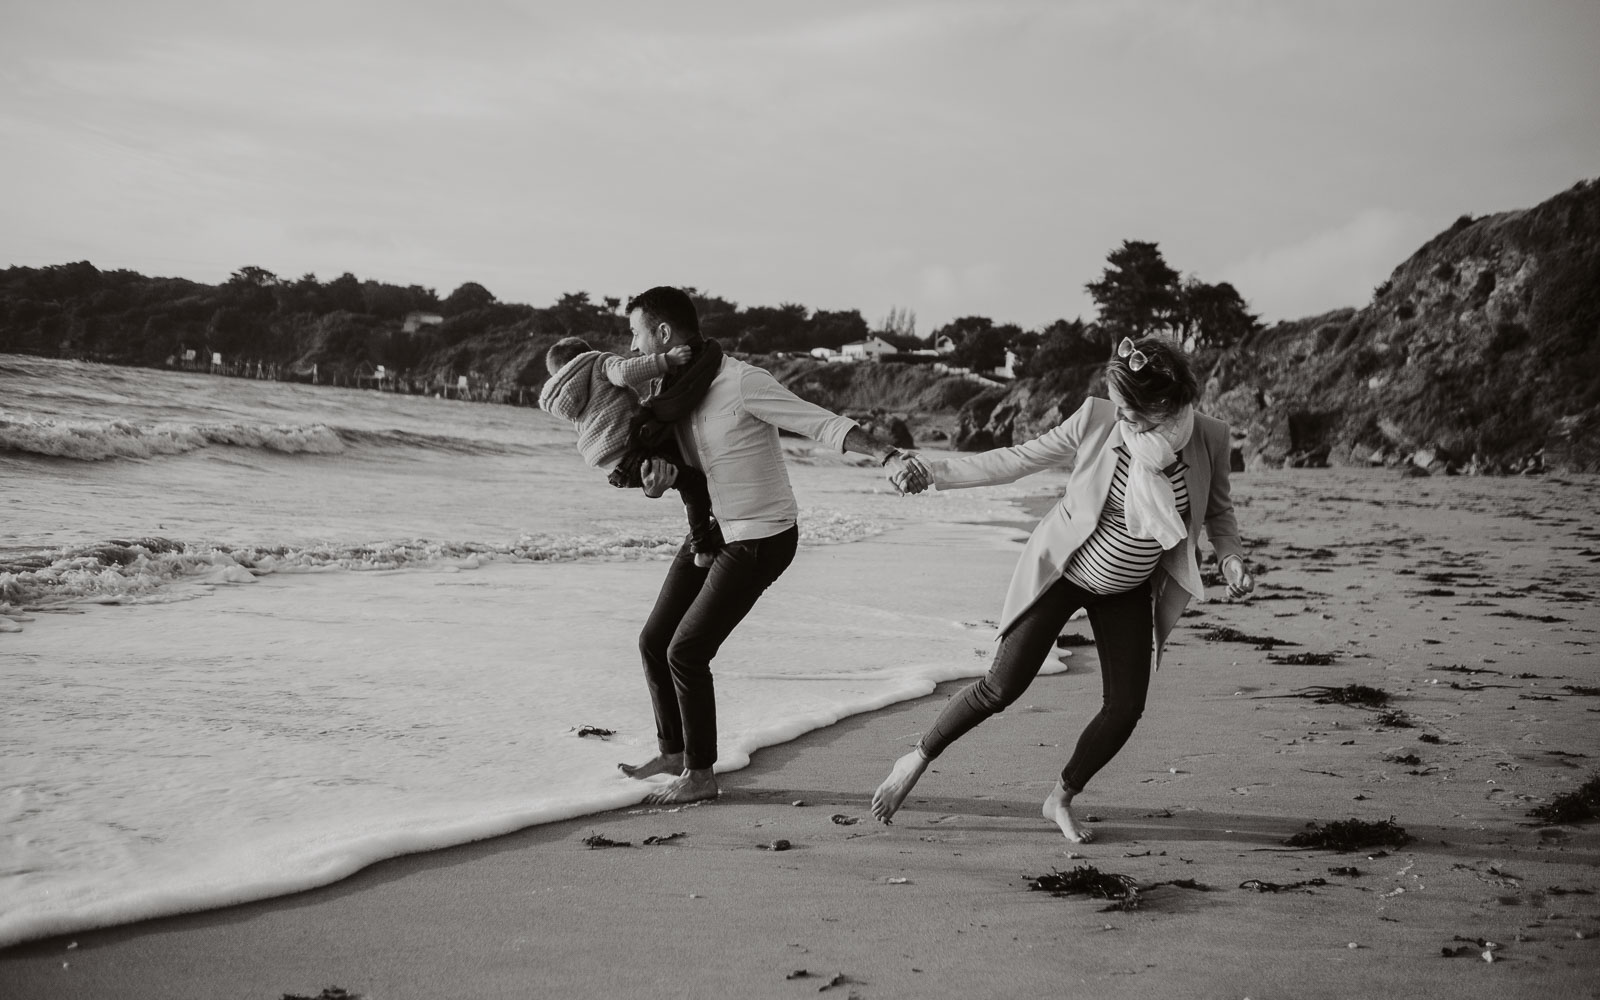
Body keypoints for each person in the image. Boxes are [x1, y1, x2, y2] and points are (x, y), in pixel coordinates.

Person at [872, 335, 1255, 842]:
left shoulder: (1209, 437)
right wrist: (933, 473)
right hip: (1065, 573)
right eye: (1117, 407)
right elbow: (1014, 460)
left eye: (1130, 410)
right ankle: (915, 758)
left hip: (1129, 590)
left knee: (1126, 707)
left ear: (1163, 404)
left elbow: (1220, 512)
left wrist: (1229, 559)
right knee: (1000, 688)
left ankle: (1061, 797)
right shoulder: (1097, 419)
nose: (1120, 418)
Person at [616, 286, 918, 805]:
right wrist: (655, 482)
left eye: (636, 334)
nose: (633, 346)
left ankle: (700, 774)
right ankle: (673, 750)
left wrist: (888, 455)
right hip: (712, 532)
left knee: (686, 651)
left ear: (662, 333)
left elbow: (820, 422)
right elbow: (680, 474)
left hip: (762, 536)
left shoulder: (742, 381)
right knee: (653, 642)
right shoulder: (671, 396)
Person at [539, 335, 723, 566]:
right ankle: (702, 548)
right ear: (587, 353)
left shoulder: (567, 397)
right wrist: (667, 360)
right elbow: (624, 372)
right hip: (633, 454)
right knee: (693, 481)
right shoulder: (597, 363)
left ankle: (696, 514)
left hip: (615, 471)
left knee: (680, 471)